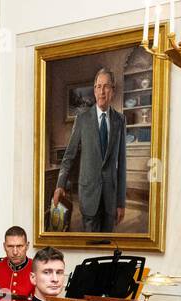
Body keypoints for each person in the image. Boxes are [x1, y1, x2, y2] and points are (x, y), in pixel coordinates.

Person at [52, 68, 127, 233]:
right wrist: (60, 185)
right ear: (94, 90)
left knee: (106, 247)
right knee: (89, 245)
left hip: (110, 198)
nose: (102, 91)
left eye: (106, 86)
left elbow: (121, 164)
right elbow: (69, 156)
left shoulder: (120, 120)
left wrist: (121, 202)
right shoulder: (82, 119)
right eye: (98, 86)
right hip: (88, 195)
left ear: (112, 91)